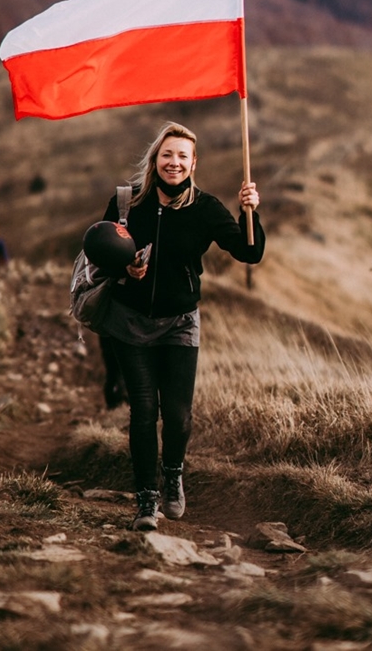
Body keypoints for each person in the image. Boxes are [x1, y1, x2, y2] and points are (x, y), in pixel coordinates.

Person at [100, 121, 264, 531]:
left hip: (179, 324)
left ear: (194, 164)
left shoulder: (205, 209)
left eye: (183, 156)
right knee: (143, 411)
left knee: (178, 416)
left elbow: (249, 252)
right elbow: (101, 254)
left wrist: (251, 211)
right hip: (129, 321)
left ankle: (172, 473)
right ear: (155, 159)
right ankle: (145, 501)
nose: (174, 163)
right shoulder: (126, 204)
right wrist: (126, 269)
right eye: (167, 154)